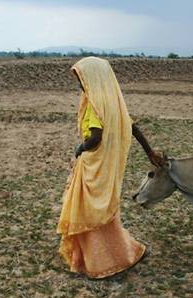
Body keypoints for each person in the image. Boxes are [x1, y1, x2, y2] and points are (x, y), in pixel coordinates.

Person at [57, 56, 163, 279]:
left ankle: (102, 262)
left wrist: (81, 147)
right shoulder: (113, 100)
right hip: (105, 169)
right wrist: (150, 151)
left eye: (81, 77)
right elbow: (131, 127)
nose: (79, 82)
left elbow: (95, 137)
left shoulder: (96, 103)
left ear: (93, 78)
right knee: (103, 211)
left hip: (93, 166)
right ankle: (122, 253)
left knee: (90, 212)